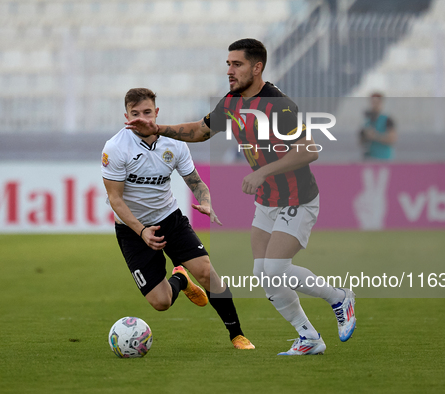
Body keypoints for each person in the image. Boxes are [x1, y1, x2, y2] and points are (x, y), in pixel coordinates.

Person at [125, 39, 356, 356]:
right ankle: (309, 337)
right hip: (267, 201)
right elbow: (201, 131)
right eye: (228, 64)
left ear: (257, 67)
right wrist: (156, 127)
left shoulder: (279, 105)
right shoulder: (232, 101)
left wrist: (262, 172)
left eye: (237, 64)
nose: (230, 71)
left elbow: (310, 149)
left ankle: (338, 297)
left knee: (274, 269)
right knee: (264, 275)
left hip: (297, 198)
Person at [102, 88, 254, 350]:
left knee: (207, 272)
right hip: (132, 229)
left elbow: (195, 182)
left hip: (168, 218)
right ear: (126, 116)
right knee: (160, 302)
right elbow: (115, 200)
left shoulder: (174, 143)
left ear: (156, 113)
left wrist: (205, 201)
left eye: (147, 112)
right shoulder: (115, 148)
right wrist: (141, 232)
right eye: (135, 113)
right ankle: (181, 279)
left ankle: (237, 334)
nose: (142, 118)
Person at [359, 92, 397, 160]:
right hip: (370, 157)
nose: (375, 105)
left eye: (377, 103)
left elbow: (392, 139)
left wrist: (375, 136)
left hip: (384, 158)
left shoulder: (387, 120)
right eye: (373, 103)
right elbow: (361, 142)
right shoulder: (368, 121)